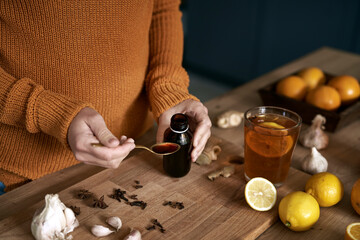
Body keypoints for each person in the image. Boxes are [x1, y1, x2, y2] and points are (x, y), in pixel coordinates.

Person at [0, 0, 211, 193]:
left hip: (135, 153)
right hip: (23, 177)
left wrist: (169, 89)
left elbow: (162, 9)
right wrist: (50, 113)